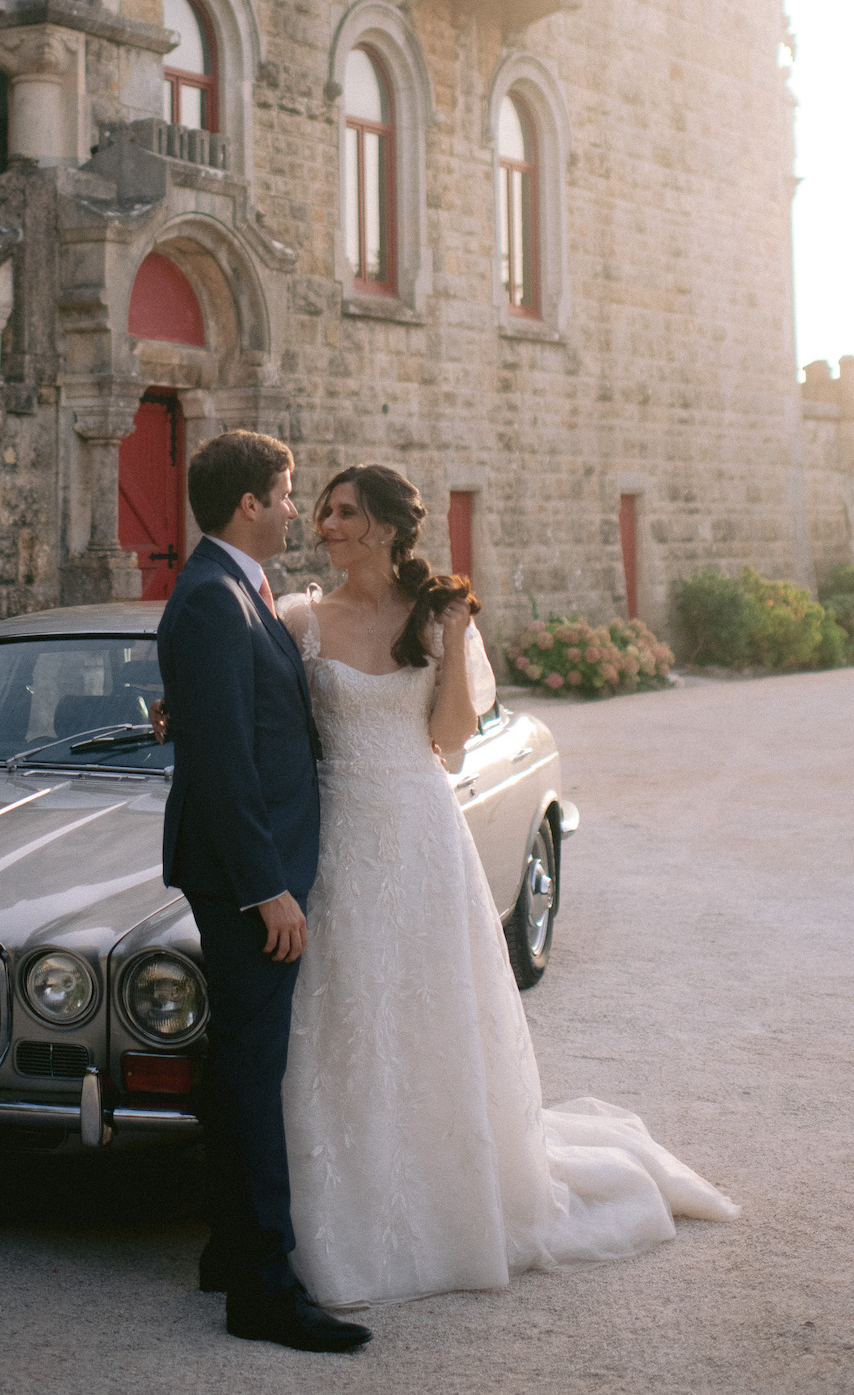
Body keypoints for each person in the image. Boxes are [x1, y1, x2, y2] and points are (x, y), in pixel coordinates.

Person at [279, 462, 739, 1311]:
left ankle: (452, 1194)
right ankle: (350, 1200)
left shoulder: (433, 618)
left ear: (386, 527)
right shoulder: (300, 619)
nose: (326, 525)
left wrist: (453, 640)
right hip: (339, 833)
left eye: (343, 512)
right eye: (323, 511)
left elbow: (451, 740)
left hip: (420, 832)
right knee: (349, 1006)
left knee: (432, 1007)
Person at [156, 430, 372, 1354]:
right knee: (252, 1076)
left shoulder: (235, 589)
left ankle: (226, 1250)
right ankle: (264, 1291)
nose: (294, 508)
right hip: (249, 879)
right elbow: (223, 768)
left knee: (237, 1067)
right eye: (286, 493)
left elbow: (230, 719)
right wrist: (266, 891)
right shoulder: (214, 598)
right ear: (249, 503)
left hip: (256, 867)